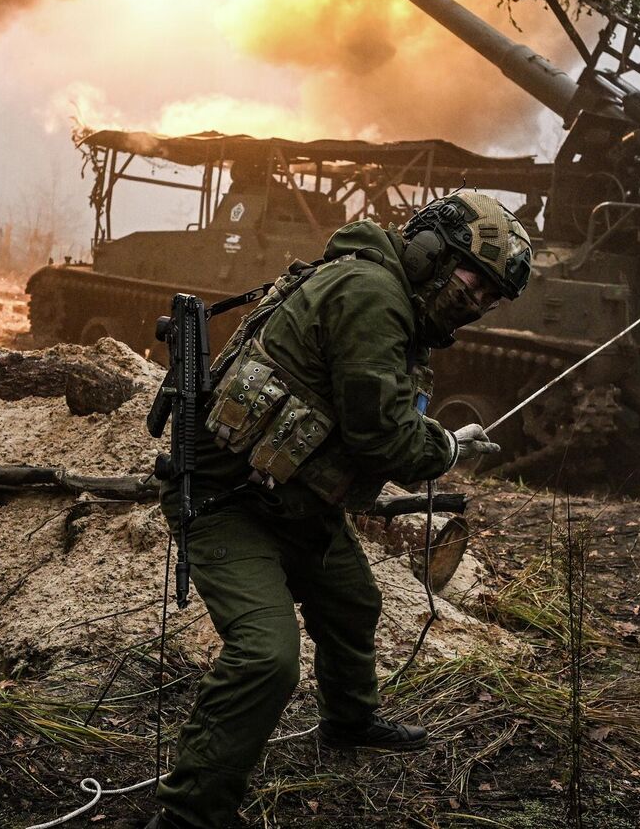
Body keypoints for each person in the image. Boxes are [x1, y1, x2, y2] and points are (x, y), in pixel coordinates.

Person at [147, 190, 532, 829]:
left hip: (295, 500)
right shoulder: (372, 295)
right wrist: (446, 447)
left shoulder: (387, 292)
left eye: (491, 297)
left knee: (352, 601)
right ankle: (190, 814)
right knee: (266, 659)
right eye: (475, 283)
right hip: (229, 502)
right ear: (432, 254)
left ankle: (349, 721)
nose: (477, 304)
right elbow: (383, 438)